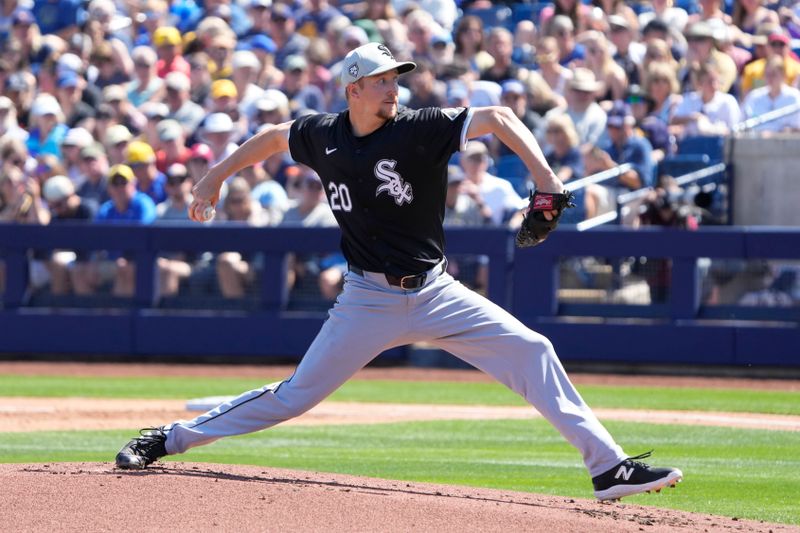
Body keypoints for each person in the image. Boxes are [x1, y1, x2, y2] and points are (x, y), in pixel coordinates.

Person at [115, 42, 683, 502]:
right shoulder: (324, 134)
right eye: (383, 79)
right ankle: (168, 438)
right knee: (295, 396)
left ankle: (608, 468)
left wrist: (548, 181)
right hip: (367, 299)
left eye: (397, 78)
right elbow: (269, 137)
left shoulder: (419, 127)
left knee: (533, 349)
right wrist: (215, 175)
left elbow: (502, 117)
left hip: (438, 292)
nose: (395, 87)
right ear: (354, 89)